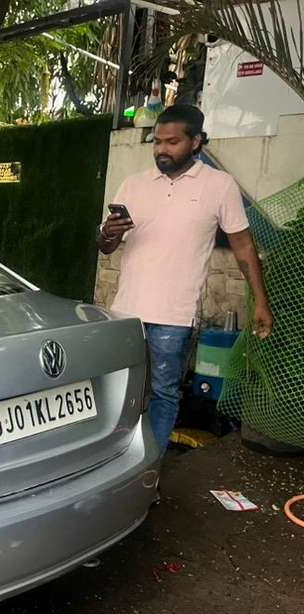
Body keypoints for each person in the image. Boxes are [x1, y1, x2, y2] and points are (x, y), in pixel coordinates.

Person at [97, 104, 274, 456]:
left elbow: (242, 245)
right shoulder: (133, 185)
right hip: (126, 312)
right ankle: (115, 462)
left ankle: (150, 465)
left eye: (172, 142)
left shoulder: (219, 185)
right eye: (157, 142)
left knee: (164, 394)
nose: (162, 149)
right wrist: (108, 233)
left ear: (195, 142)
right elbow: (106, 247)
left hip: (174, 318)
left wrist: (261, 301)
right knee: (119, 391)